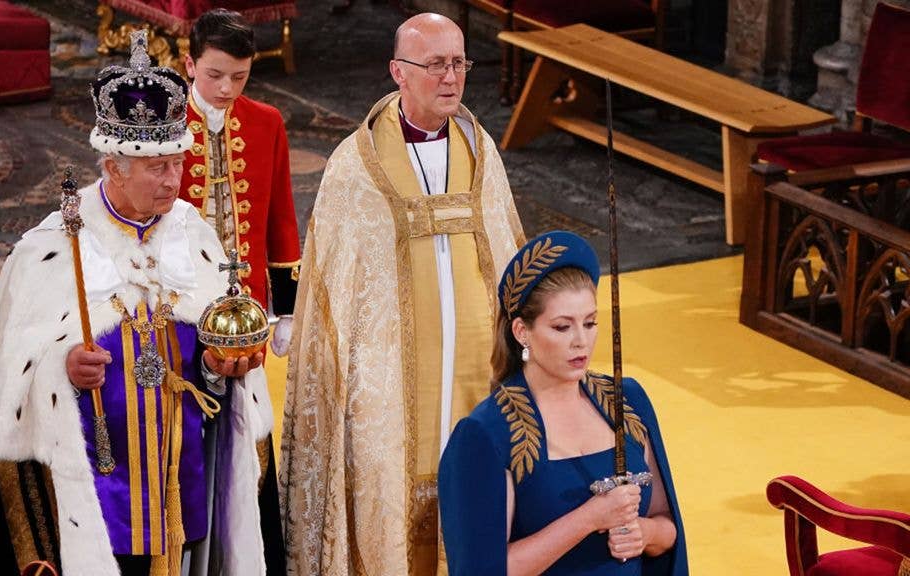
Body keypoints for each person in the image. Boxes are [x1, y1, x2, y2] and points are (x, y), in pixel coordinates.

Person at [0, 32, 254, 576]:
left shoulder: (193, 234)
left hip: (179, 472)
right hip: (96, 490)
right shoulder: (52, 247)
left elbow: (215, 360)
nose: (174, 181)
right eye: (157, 168)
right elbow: (11, 382)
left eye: (177, 163)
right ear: (114, 167)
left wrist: (219, 366)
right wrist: (65, 367)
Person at [279, 12, 525, 576]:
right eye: (435, 64)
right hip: (385, 384)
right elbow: (335, 287)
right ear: (398, 71)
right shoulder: (356, 166)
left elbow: (508, 252)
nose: (451, 77)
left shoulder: (481, 152)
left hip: (476, 370)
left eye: (459, 62)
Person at [437, 231, 687, 575]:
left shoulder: (627, 402)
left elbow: (667, 525)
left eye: (590, 323)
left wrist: (646, 534)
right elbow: (483, 569)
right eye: (561, 327)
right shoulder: (485, 434)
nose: (581, 341)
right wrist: (589, 518)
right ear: (522, 332)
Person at [178, 10, 299, 575]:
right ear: (189, 65)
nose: (227, 89)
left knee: (246, 428)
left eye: (240, 77)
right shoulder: (164, 122)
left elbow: (281, 218)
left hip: (246, 316)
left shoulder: (267, 122)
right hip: (179, 310)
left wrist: (286, 310)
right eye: (214, 75)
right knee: (189, 429)